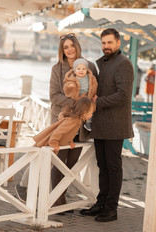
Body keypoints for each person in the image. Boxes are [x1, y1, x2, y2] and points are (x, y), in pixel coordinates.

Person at [15, 33, 97, 208]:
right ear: (62, 50)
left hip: (81, 124)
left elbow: (95, 89)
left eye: (71, 45)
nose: (69, 49)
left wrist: (89, 105)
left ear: (77, 46)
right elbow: (54, 96)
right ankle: (54, 200)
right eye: (65, 47)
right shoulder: (56, 69)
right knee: (57, 160)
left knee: (73, 164)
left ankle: (60, 198)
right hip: (63, 121)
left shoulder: (88, 66)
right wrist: (77, 103)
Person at [80, 28, 134, 222]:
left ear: (118, 43)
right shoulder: (101, 63)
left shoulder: (124, 64)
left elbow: (123, 95)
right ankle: (101, 203)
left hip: (116, 124)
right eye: (103, 43)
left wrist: (96, 103)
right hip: (101, 124)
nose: (106, 46)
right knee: (102, 165)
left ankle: (111, 208)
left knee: (113, 166)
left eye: (110, 43)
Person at [63, 58, 98, 131]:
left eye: (83, 69)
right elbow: (66, 88)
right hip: (77, 99)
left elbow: (95, 85)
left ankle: (89, 122)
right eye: (78, 69)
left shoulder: (90, 78)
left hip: (88, 98)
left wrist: (95, 94)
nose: (81, 70)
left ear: (86, 70)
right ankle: (74, 128)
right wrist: (70, 87)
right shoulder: (72, 79)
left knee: (90, 110)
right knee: (76, 113)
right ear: (75, 71)